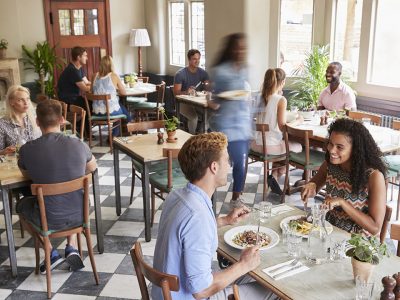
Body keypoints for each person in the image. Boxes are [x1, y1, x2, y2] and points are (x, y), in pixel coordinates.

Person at [152, 132, 276, 300]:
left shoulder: (178, 195)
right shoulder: (198, 216)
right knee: (272, 289)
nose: (230, 166)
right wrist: (243, 264)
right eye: (226, 160)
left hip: (167, 293)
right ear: (214, 167)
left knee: (263, 276)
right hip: (189, 296)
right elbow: (201, 290)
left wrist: (225, 220)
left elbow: (188, 232)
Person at [17, 99, 97, 273]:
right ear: (62, 120)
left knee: (21, 205)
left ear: (37, 122)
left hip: (48, 217)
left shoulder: (27, 150)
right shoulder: (78, 144)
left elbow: (26, 175)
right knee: (72, 195)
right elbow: (92, 168)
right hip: (80, 213)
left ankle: (51, 252)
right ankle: (72, 247)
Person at [301, 118, 386, 236]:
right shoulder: (330, 164)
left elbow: (375, 228)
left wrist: (342, 203)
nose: (331, 150)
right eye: (330, 143)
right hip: (329, 231)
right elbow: (314, 186)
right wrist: (311, 186)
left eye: (339, 147)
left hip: (357, 242)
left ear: (355, 150)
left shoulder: (374, 176)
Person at [208, 33, 252, 208]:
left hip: (242, 126)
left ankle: (236, 198)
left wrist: (251, 128)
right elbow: (214, 99)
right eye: (238, 47)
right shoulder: (220, 71)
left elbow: (246, 100)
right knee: (216, 165)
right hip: (224, 126)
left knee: (241, 164)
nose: (241, 50)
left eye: (243, 47)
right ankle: (208, 196)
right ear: (231, 49)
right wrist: (221, 98)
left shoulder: (245, 69)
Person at [251, 68, 303, 195]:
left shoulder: (259, 96)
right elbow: (282, 127)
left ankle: (273, 175)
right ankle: (275, 174)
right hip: (269, 147)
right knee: (298, 147)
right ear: (283, 82)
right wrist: (298, 121)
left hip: (255, 144)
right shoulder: (281, 100)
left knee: (283, 145)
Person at [91, 55, 132, 136]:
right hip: (110, 112)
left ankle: (119, 132)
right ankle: (114, 136)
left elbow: (91, 91)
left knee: (119, 107)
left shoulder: (94, 76)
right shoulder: (114, 75)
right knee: (123, 112)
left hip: (96, 112)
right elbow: (124, 93)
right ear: (111, 65)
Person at [173, 49, 210, 134]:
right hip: (182, 103)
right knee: (194, 118)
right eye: (194, 59)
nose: (197, 61)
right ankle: (191, 138)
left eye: (198, 59)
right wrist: (187, 91)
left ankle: (201, 134)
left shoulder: (203, 73)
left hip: (197, 102)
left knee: (210, 115)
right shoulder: (180, 74)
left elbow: (208, 85)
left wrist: (207, 85)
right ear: (189, 60)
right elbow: (176, 93)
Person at [0, 85, 40, 155]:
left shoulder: (35, 118)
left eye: (27, 99)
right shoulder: (2, 124)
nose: (26, 103)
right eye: (20, 100)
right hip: (15, 163)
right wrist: (3, 152)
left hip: (37, 159)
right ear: (11, 102)